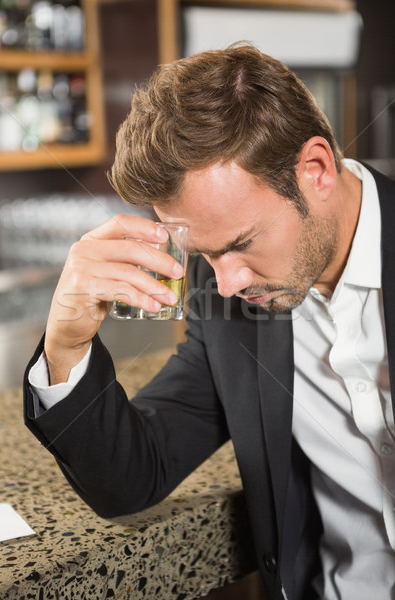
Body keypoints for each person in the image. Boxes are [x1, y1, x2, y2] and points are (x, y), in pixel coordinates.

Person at [23, 43, 395, 600]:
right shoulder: (228, 293)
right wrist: (67, 342)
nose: (226, 284)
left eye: (241, 244)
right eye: (205, 254)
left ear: (315, 169)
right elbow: (133, 475)